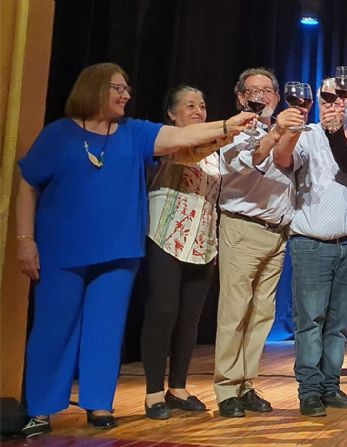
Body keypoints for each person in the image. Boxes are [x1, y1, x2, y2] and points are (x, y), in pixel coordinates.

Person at [15, 63, 255, 437]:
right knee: (53, 328)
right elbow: (28, 183)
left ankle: (98, 404)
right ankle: (42, 408)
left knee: (106, 328)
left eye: (127, 89)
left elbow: (179, 139)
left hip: (118, 251)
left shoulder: (134, 133)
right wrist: (25, 240)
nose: (126, 95)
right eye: (117, 88)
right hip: (61, 250)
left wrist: (228, 126)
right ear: (93, 89)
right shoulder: (58, 135)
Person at [213, 67, 305, 418]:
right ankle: (225, 389)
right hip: (243, 227)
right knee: (234, 311)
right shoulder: (235, 130)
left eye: (268, 90)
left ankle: (246, 383)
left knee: (261, 315)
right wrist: (278, 130)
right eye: (255, 90)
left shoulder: (277, 130)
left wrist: (285, 130)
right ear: (240, 96)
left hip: (277, 233)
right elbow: (247, 162)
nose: (262, 96)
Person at [272, 79, 347, 417]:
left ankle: (331, 385)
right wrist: (292, 129)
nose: (333, 103)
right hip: (312, 243)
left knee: (339, 324)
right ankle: (310, 391)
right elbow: (282, 158)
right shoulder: (307, 134)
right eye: (326, 96)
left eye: (340, 96)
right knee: (310, 321)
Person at [140, 85, 231, 419]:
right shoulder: (166, 140)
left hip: (202, 240)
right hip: (166, 235)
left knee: (190, 318)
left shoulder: (212, 151)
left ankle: (178, 387)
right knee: (162, 313)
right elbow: (186, 153)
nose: (198, 111)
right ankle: (152, 392)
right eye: (189, 105)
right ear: (172, 113)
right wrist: (228, 129)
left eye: (203, 105)